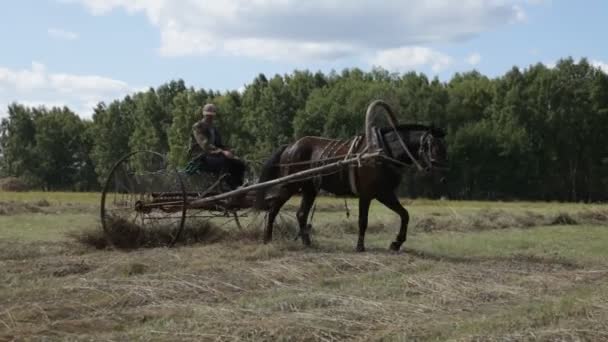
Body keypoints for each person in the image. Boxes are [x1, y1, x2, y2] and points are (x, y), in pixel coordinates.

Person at [189, 103, 246, 190]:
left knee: (239, 163)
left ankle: (239, 185)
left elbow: (219, 144)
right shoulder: (198, 127)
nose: (210, 118)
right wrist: (223, 152)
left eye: (212, 116)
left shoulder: (214, 128)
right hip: (201, 158)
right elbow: (205, 145)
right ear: (204, 115)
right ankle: (231, 187)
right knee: (225, 161)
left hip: (215, 155)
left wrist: (229, 150)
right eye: (208, 115)